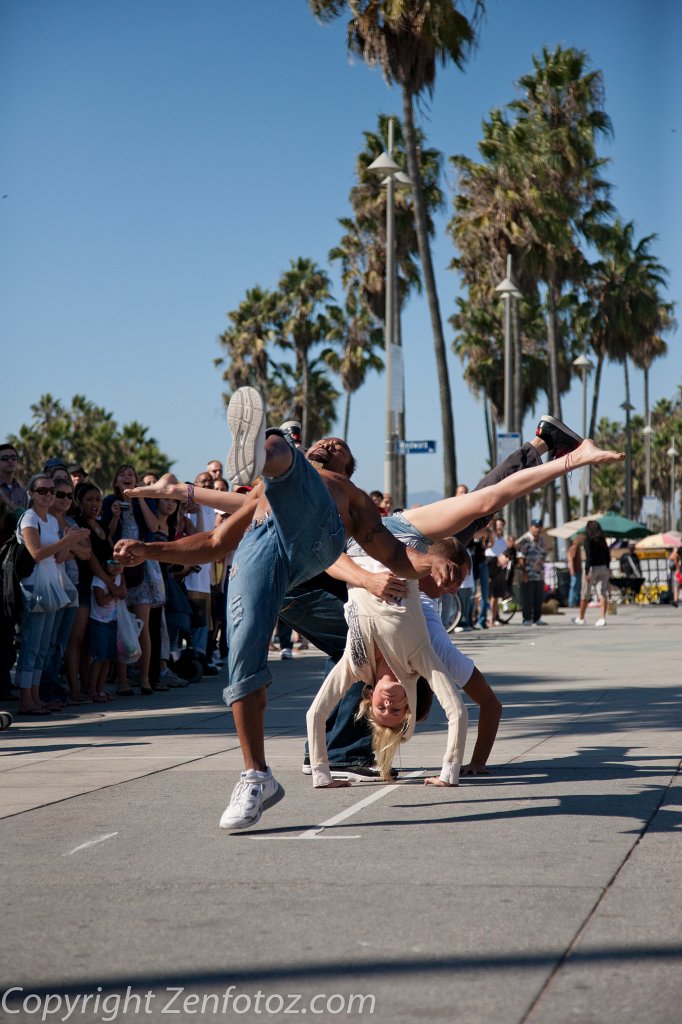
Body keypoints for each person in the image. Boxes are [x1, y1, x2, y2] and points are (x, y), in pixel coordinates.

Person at [116, 388, 623, 829]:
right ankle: (274, 771)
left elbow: (466, 513)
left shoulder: (359, 509)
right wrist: (158, 536)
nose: (332, 443)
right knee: (246, 657)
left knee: (469, 509)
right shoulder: (268, 494)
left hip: (331, 562)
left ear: (346, 473)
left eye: (338, 450)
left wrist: (571, 462)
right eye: (325, 443)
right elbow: (219, 535)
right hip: (291, 559)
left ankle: (342, 751)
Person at [14, 474, 89, 714]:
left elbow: (57, 556)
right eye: (42, 490)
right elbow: (36, 553)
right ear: (31, 494)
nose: (48, 495)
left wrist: (70, 543)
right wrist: (67, 540)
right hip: (34, 586)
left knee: (43, 646)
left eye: (51, 491)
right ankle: (27, 699)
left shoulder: (51, 521)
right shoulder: (30, 518)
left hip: (50, 585)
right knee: (32, 645)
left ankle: (36, 697)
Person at [87, 559, 126, 702]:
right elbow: (101, 601)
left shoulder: (120, 578)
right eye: (112, 562)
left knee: (108, 659)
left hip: (112, 621)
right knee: (99, 658)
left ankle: (100, 689)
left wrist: (120, 590)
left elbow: (124, 594)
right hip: (99, 622)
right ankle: (92, 690)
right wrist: (114, 593)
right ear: (103, 564)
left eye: (119, 563)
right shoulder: (98, 580)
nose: (116, 566)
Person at [573, 520, 611, 627]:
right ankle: (602, 618)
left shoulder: (588, 540)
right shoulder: (602, 540)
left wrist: (586, 572)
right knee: (602, 593)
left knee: (585, 593)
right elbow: (608, 555)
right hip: (604, 567)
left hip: (592, 568)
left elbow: (589, 557)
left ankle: (581, 617)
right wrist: (608, 567)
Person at [516, 518, 548, 625]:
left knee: (538, 598)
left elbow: (543, 555)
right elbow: (520, 558)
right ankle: (527, 618)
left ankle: (537, 618)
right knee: (528, 598)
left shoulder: (542, 541)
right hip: (528, 574)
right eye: (535, 526)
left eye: (539, 527)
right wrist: (524, 573)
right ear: (530, 527)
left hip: (539, 574)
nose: (537, 529)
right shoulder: (526, 540)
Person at [567, 535, 583, 607]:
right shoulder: (574, 548)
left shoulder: (578, 548)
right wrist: (572, 570)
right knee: (574, 586)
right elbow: (571, 559)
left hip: (578, 570)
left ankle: (575, 602)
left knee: (577, 587)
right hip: (575, 571)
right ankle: (572, 602)